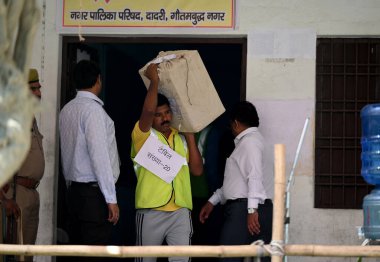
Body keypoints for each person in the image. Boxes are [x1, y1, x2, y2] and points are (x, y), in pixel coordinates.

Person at [131, 63, 204, 262]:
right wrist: (154, 81)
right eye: (158, 114)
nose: (164, 118)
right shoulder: (143, 137)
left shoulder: (180, 139)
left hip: (180, 211)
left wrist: (189, 135)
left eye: (167, 113)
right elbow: (146, 110)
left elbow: (197, 171)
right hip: (151, 210)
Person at [59, 60, 120, 261]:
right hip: (93, 196)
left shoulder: (67, 110)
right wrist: (111, 198)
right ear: (98, 80)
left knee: (77, 251)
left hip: (74, 193)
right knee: (95, 252)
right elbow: (99, 156)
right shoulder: (93, 111)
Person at [199, 101, 273, 262]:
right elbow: (236, 183)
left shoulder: (250, 143)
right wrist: (212, 201)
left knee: (228, 257)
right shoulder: (255, 142)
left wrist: (252, 211)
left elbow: (254, 177)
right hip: (253, 208)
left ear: (236, 123)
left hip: (245, 210)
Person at [0, 68, 45, 262]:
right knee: (14, 255)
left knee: (26, 254)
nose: (38, 93)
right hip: (15, 196)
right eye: (33, 89)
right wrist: (4, 200)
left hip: (31, 194)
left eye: (39, 88)